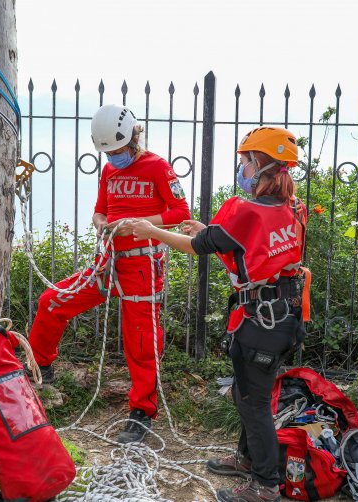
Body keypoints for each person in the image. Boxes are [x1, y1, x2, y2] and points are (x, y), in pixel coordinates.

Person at [126, 127, 309, 502]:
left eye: (245, 161)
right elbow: (250, 244)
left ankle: (266, 485)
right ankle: (247, 459)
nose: (241, 167)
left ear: (259, 164)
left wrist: (151, 230)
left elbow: (197, 247)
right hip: (285, 315)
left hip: (260, 320)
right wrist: (210, 231)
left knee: (253, 401)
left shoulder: (243, 211)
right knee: (249, 393)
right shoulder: (293, 208)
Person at [28, 104, 190, 444]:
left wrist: (144, 225)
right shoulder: (109, 172)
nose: (113, 157)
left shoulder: (158, 167)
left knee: (141, 341)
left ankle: (142, 412)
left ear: (133, 138)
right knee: (53, 301)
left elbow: (180, 213)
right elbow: (100, 211)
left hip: (143, 266)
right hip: (108, 262)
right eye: (108, 152)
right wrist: (102, 223)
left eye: (117, 150)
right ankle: (41, 365)